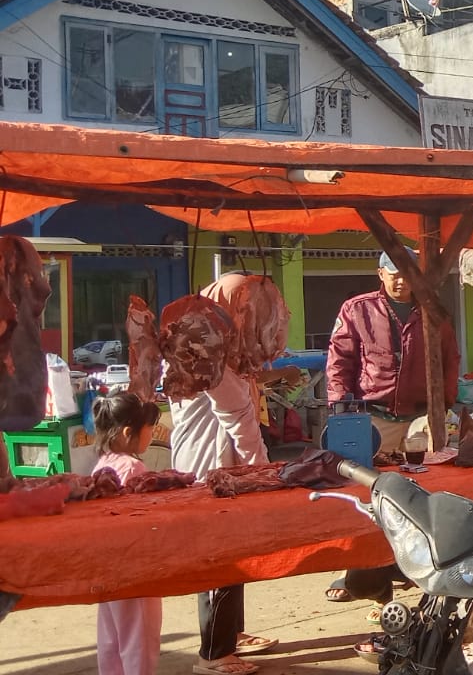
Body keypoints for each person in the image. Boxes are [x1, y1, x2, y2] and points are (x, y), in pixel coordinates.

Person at [323, 249, 459, 630]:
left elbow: (450, 358)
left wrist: (445, 405)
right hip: (374, 419)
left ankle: (425, 582)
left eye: (407, 274)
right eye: (393, 273)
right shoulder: (357, 309)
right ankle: (375, 590)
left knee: (427, 502)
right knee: (373, 504)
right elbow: (340, 361)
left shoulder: (434, 310)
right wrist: (340, 409)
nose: (401, 280)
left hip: (421, 418)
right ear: (379, 274)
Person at [170, 276, 279, 675]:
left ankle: (233, 634)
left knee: (235, 553)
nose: (248, 314)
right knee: (220, 557)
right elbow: (237, 415)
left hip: (221, 462)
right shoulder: (204, 348)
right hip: (212, 465)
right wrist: (263, 470)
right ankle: (214, 654)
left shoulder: (213, 345)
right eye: (242, 305)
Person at [92, 392, 163, 675]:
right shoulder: (133, 467)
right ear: (127, 432)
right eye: (149, 428)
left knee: (110, 638)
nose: (152, 434)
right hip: (134, 566)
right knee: (139, 639)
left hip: (106, 566)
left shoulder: (103, 464)